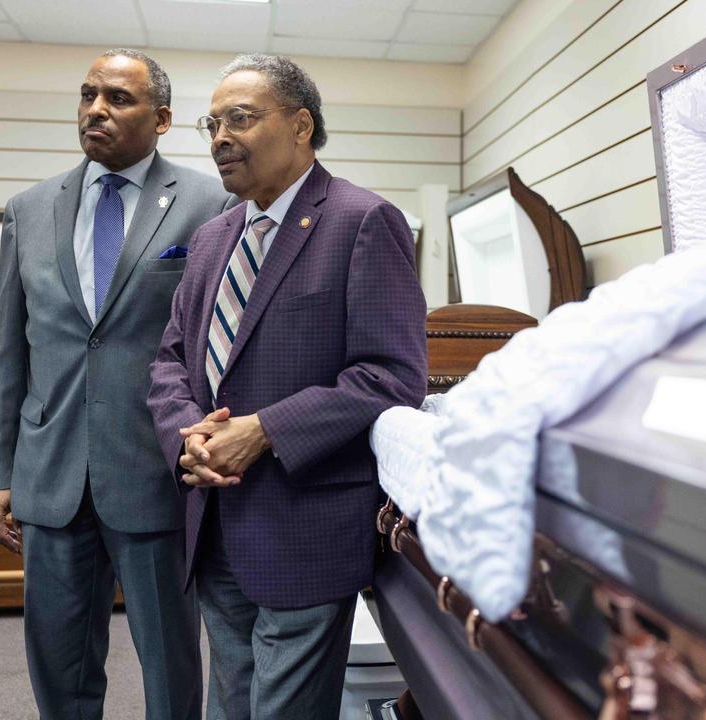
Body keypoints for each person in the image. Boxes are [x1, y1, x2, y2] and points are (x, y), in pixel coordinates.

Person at [147, 53, 427, 718]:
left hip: (305, 525)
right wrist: (186, 436)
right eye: (210, 124)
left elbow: (391, 376)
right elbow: (170, 360)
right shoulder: (213, 238)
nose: (219, 137)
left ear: (300, 126)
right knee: (232, 703)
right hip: (214, 519)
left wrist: (265, 430)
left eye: (239, 119)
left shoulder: (363, 222)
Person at [0, 48, 235, 719]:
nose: (96, 108)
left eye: (118, 98)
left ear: (162, 119)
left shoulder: (213, 204)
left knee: (170, 661)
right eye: (88, 94)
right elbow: (8, 350)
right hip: (49, 472)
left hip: (156, 470)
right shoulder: (28, 210)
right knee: (57, 661)